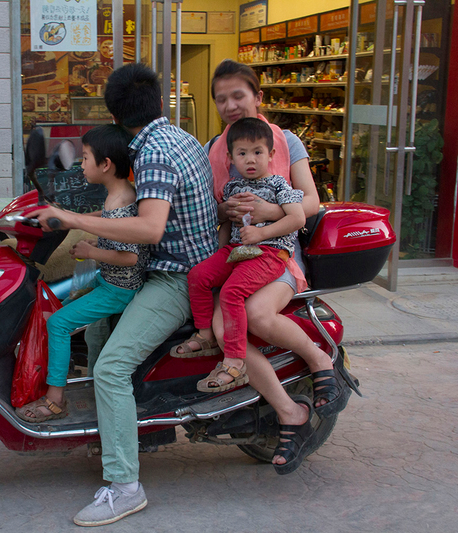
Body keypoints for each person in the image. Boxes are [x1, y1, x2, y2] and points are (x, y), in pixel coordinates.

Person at [35, 63, 218, 526]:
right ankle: (110, 428)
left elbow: (149, 228)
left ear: (115, 113)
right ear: (157, 101)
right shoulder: (181, 136)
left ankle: (124, 486)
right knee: (93, 328)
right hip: (182, 265)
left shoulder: (153, 153)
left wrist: (73, 221)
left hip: (177, 278)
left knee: (112, 367)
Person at [174, 59, 347, 474]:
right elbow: (209, 210)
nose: (231, 105)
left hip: (280, 257)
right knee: (220, 326)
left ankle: (322, 362)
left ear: (257, 97)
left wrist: (268, 210)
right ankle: (289, 412)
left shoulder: (286, 140)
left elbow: (309, 202)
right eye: (222, 99)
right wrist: (224, 208)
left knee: (253, 313)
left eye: (238, 95)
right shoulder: (215, 149)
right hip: (236, 254)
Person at [15, 125, 147, 423]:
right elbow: (106, 221)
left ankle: (55, 399)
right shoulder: (120, 194)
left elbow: (130, 256)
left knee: (58, 324)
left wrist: (92, 253)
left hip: (118, 289)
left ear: (105, 165)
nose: (81, 164)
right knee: (64, 314)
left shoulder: (123, 203)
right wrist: (72, 222)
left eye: (86, 158)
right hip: (107, 279)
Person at [175, 117, 305, 395]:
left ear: (271, 155)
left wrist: (261, 233)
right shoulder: (232, 188)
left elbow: (297, 218)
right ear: (231, 157)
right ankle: (206, 335)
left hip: (269, 253)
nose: (250, 159)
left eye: (258, 152)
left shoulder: (279, 185)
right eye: (242, 153)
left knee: (231, 293)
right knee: (198, 276)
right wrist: (217, 258)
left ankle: (235, 360)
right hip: (236, 251)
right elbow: (228, 226)